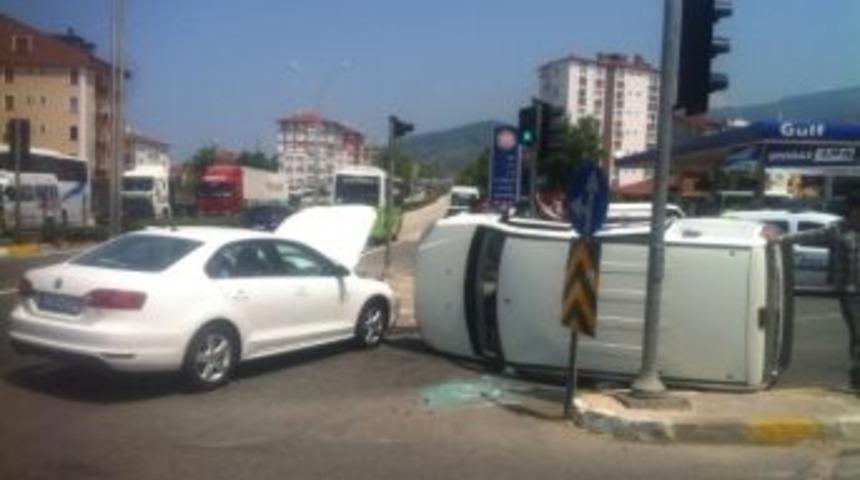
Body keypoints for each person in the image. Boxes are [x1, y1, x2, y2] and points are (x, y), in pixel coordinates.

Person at [780, 191, 860, 388]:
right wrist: (781, 238)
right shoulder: (839, 229)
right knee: (858, 333)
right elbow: (810, 235)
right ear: (850, 210)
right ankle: (857, 375)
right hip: (850, 292)